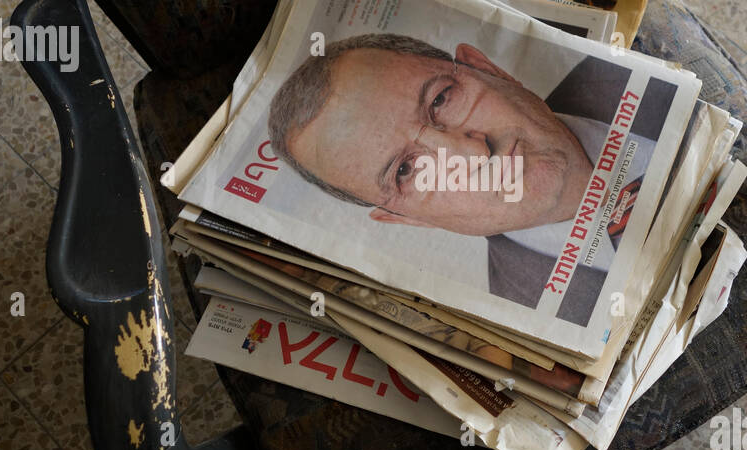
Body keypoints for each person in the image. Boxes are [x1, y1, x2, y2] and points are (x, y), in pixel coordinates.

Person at [268, 32, 675, 322]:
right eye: (406, 170)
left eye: (441, 100)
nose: (473, 153)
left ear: (487, 69)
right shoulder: (528, 328)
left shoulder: (645, 56)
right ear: (409, 220)